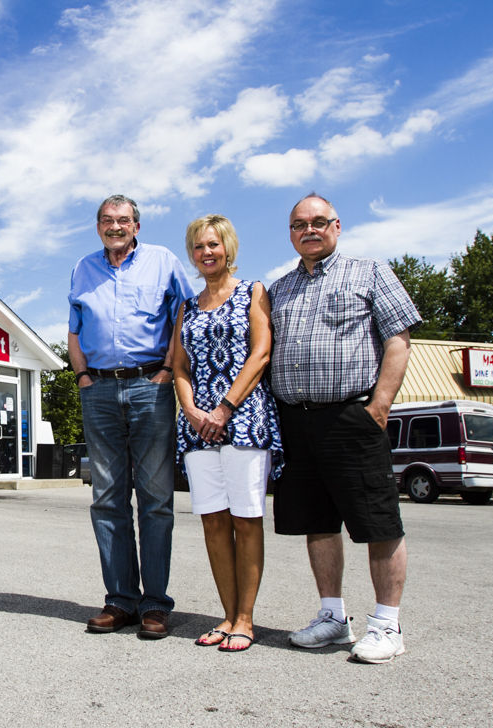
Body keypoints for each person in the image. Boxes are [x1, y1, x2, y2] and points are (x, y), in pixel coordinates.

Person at [269, 193, 421, 664]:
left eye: (318, 222)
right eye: (299, 224)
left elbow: (398, 338)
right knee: (317, 522)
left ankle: (386, 624)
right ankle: (333, 618)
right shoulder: (279, 289)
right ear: (291, 233)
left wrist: (379, 406)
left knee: (377, 521)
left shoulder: (369, 271)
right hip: (297, 419)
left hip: (352, 416)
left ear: (337, 225)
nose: (309, 230)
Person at [68, 194, 193, 639]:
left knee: (156, 498)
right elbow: (75, 328)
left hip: (149, 387)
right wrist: (81, 376)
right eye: (107, 220)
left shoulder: (162, 260)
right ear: (98, 225)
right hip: (98, 389)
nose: (115, 226)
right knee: (107, 499)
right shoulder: (83, 268)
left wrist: (167, 370)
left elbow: (185, 312)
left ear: (136, 226)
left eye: (123, 220)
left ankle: (155, 604)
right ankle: (120, 600)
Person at [171, 214, 282, 653]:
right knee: (214, 521)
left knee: (246, 518)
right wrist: (192, 410)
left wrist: (224, 408)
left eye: (213, 245)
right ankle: (226, 614)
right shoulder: (187, 306)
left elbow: (261, 353)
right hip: (199, 429)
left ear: (228, 247)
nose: (206, 253)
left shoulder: (253, 291)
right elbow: (179, 366)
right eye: (198, 247)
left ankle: (246, 620)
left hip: (244, 419)